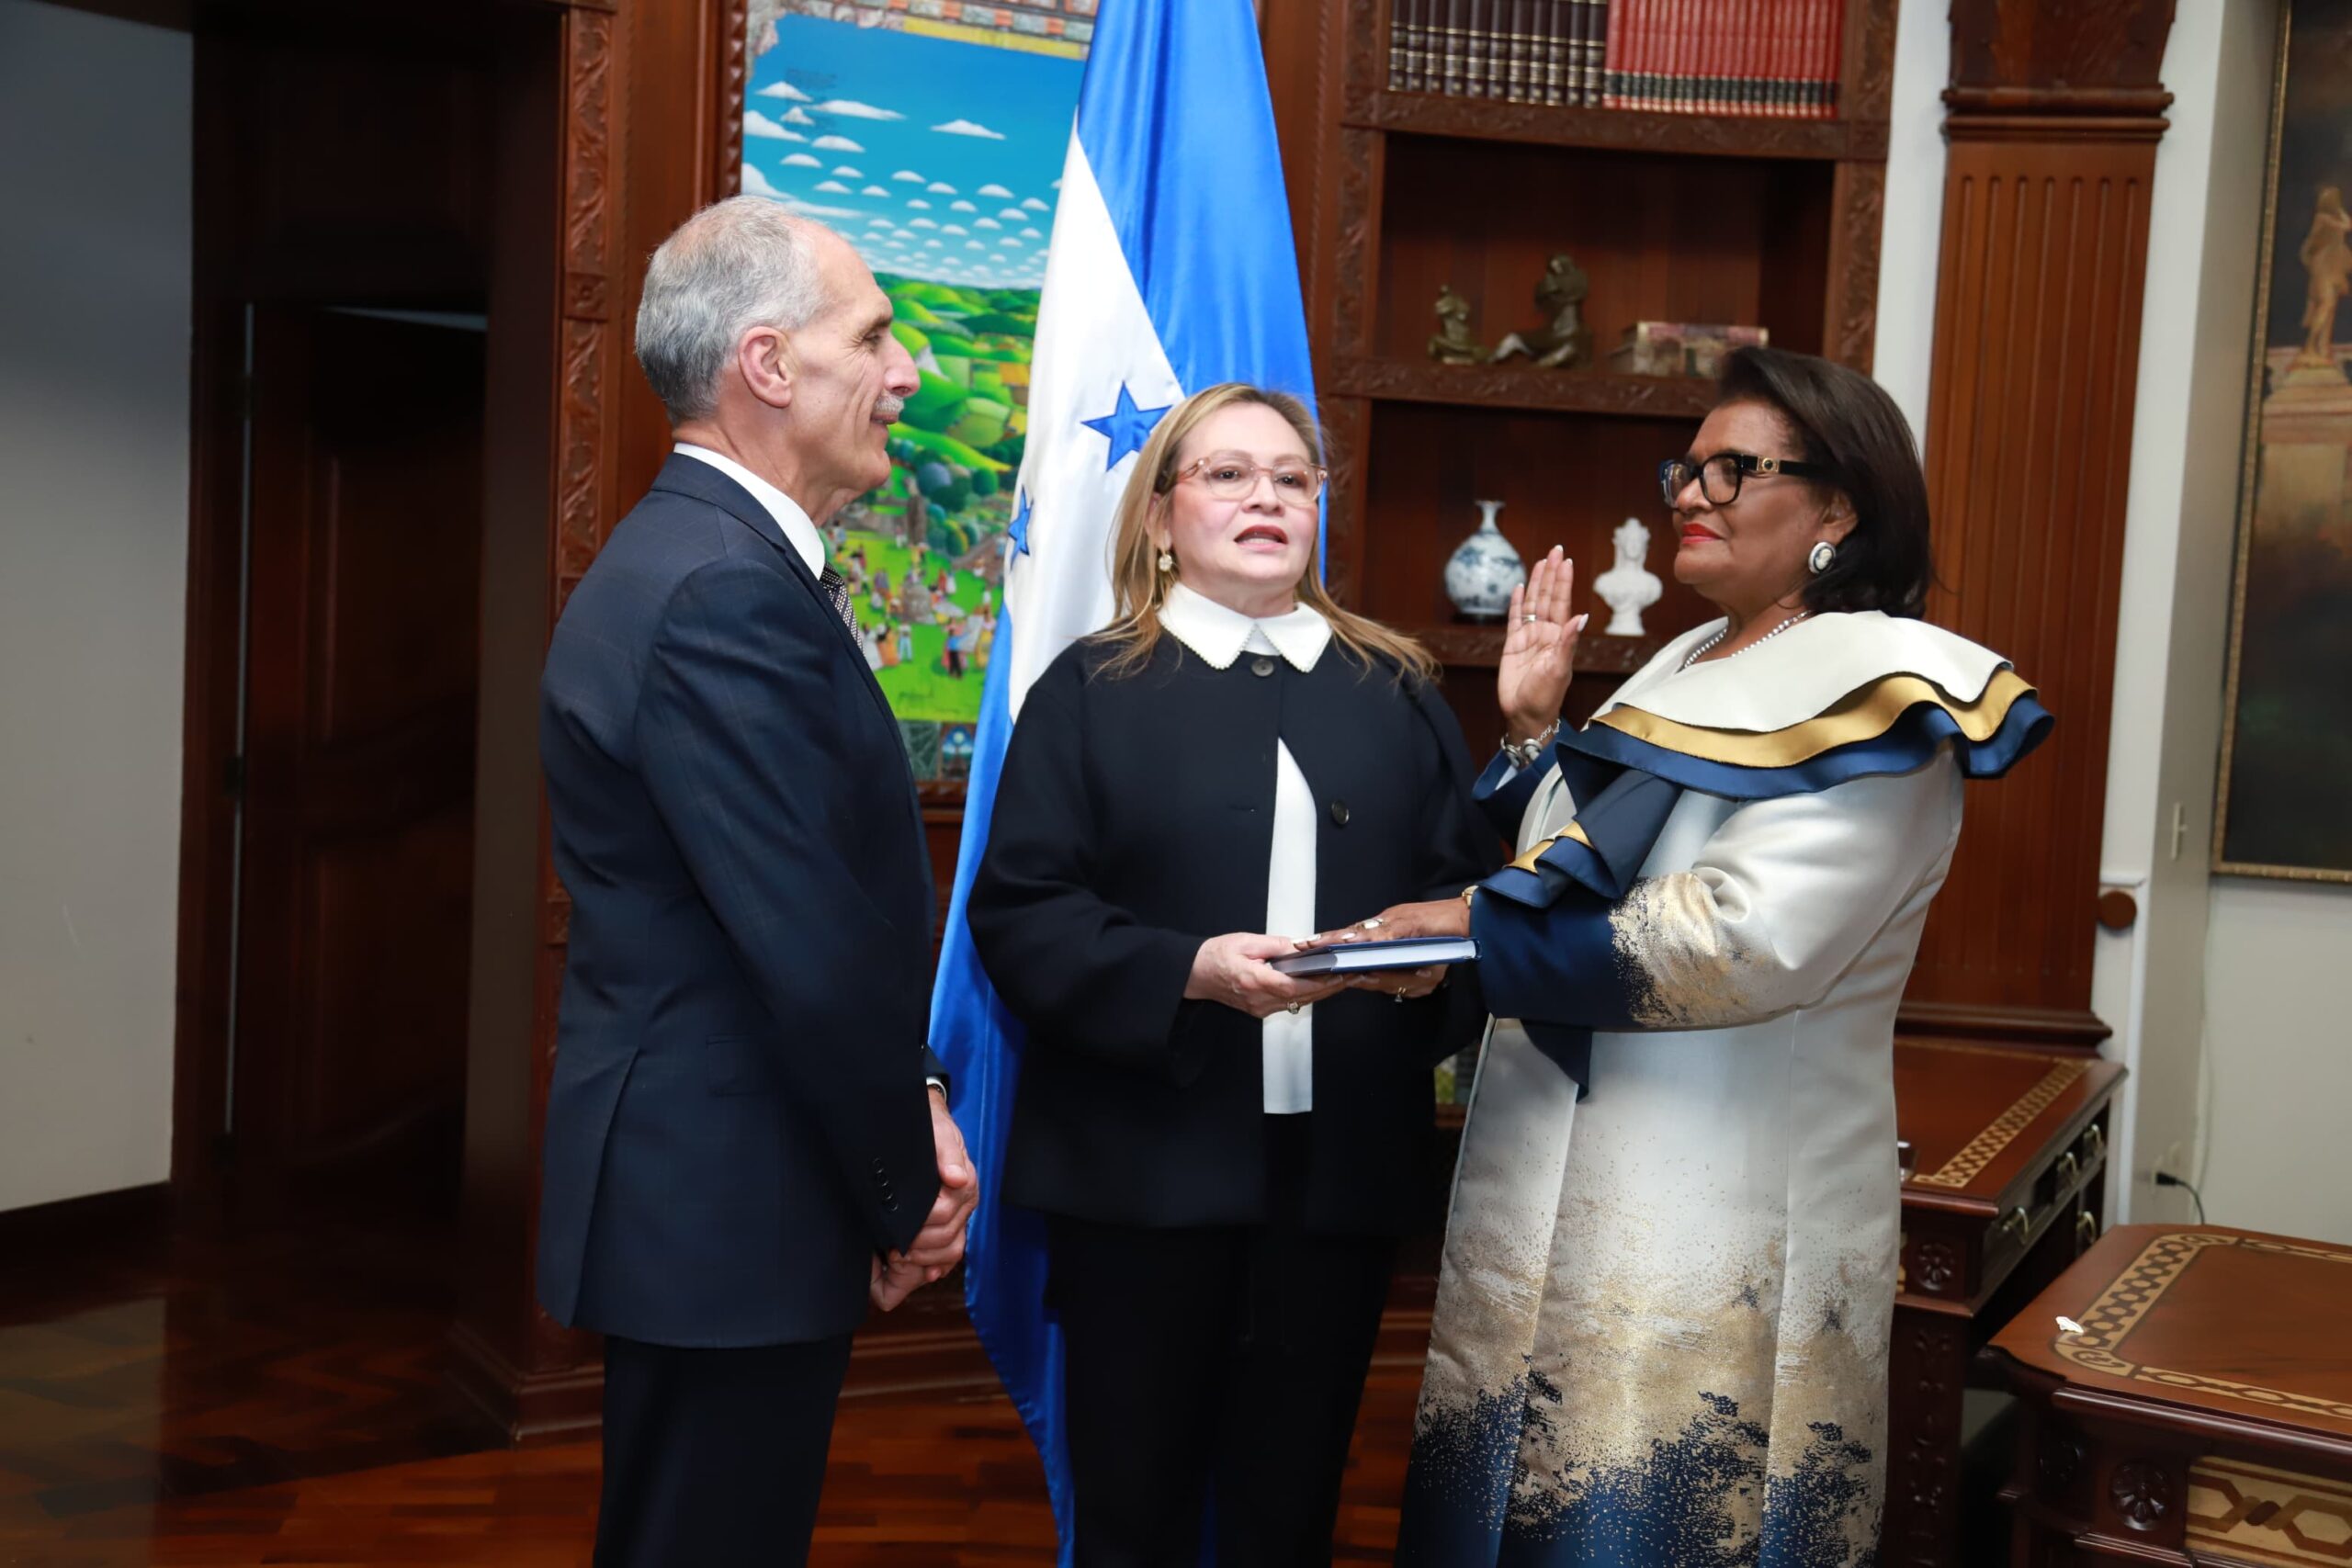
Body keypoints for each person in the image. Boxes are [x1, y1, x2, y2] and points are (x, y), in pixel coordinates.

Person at [1334, 346, 2052, 1564]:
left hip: (1718, 1211)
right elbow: (1571, 869)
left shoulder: (1889, 697)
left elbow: (1742, 941)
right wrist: (1532, 736)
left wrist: (1469, 933)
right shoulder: (1686, 659)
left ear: (1838, 508)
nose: (1691, 495)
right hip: (1550, 1179)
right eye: (1688, 467)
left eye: (1734, 470)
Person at [967, 383, 1496, 1566]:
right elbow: (1023, 914)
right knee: (1134, 1517)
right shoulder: (1089, 689)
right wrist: (1186, 971)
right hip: (1141, 1180)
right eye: (1227, 474)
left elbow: (1467, 906)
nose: (1267, 496)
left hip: (1338, 1186)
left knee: (1290, 1517)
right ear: (1161, 517)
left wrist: (1422, 972)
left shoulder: (1397, 688)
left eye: (1291, 478)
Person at [536, 197, 978, 1568]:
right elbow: (811, 941)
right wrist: (907, 1183)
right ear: (770, 365)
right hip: (730, 1196)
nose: (907, 372)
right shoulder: (720, 587)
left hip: (725, 1187)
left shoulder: (706, 559)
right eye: (876, 336)